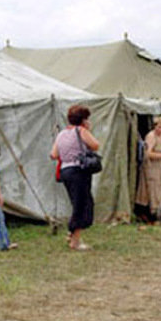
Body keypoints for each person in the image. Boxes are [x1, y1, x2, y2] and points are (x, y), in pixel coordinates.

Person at [50, 105, 100, 251]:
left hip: (66, 170)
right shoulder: (81, 131)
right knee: (83, 205)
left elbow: (53, 154)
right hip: (79, 170)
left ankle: (72, 233)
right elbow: (95, 145)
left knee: (78, 203)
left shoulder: (61, 134)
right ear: (84, 120)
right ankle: (75, 240)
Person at [134, 116, 161, 225]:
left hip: (160, 166)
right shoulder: (151, 136)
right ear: (155, 126)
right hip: (151, 167)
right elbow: (148, 153)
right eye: (159, 127)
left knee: (158, 190)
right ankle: (149, 215)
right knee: (150, 190)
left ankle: (157, 213)